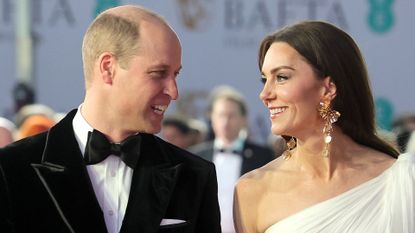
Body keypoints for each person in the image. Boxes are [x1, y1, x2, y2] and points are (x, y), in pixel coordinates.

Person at [0, 5, 221, 233]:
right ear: (108, 68)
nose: (174, 92)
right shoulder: (10, 169)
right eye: (158, 73)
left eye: (176, 74)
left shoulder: (194, 176)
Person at [233, 21, 414, 233]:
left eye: (281, 77)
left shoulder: (403, 181)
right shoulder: (253, 191)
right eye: (264, 79)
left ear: (328, 88)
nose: (265, 94)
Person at [190, 85, 274, 233]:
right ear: (211, 117)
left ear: (243, 119)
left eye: (231, 115)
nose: (226, 122)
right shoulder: (195, 156)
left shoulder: (263, 156)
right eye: (221, 115)